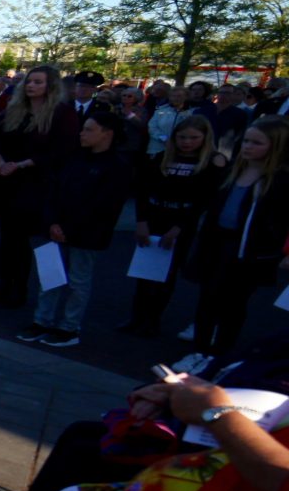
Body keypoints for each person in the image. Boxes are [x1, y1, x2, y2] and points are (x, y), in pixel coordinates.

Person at [13, 112, 133, 350]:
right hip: (54, 227)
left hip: (86, 233)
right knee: (50, 276)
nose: (82, 133)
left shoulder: (117, 166)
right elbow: (54, 190)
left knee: (78, 280)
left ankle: (69, 327)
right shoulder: (74, 158)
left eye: (89, 129)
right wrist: (53, 222)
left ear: (107, 134)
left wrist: (67, 227)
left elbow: (104, 205)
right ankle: (42, 320)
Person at [186, 118, 289, 365]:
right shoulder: (233, 171)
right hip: (217, 243)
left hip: (249, 252)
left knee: (233, 305)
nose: (248, 147)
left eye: (257, 143)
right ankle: (199, 351)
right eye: (246, 141)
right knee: (207, 299)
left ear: (275, 146)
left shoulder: (279, 181)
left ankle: (220, 353)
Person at [0, 66, 78, 309]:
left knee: (24, 240)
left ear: (50, 86)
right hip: (7, 183)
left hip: (36, 184)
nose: (31, 86)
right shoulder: (13, 111)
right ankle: (3, 285)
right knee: (7, 238)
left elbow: (62, 151)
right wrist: (1, 162)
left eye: (38, 82)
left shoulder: (61, 114)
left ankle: (20, 290)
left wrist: (22, 164)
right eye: (29, 82)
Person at [121, 116, 224, 338]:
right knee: (144, 271)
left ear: (205, 138)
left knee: (166, 274)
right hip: (154, 216)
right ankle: (137, 317)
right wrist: (141, 221)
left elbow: (204, 200)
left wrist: (180, 227)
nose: (187, 142)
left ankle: (153, 319)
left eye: (194, 138)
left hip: (181, 221)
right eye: (182, 137)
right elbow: (143, 190)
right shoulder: (161, 158)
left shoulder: (211, 163)